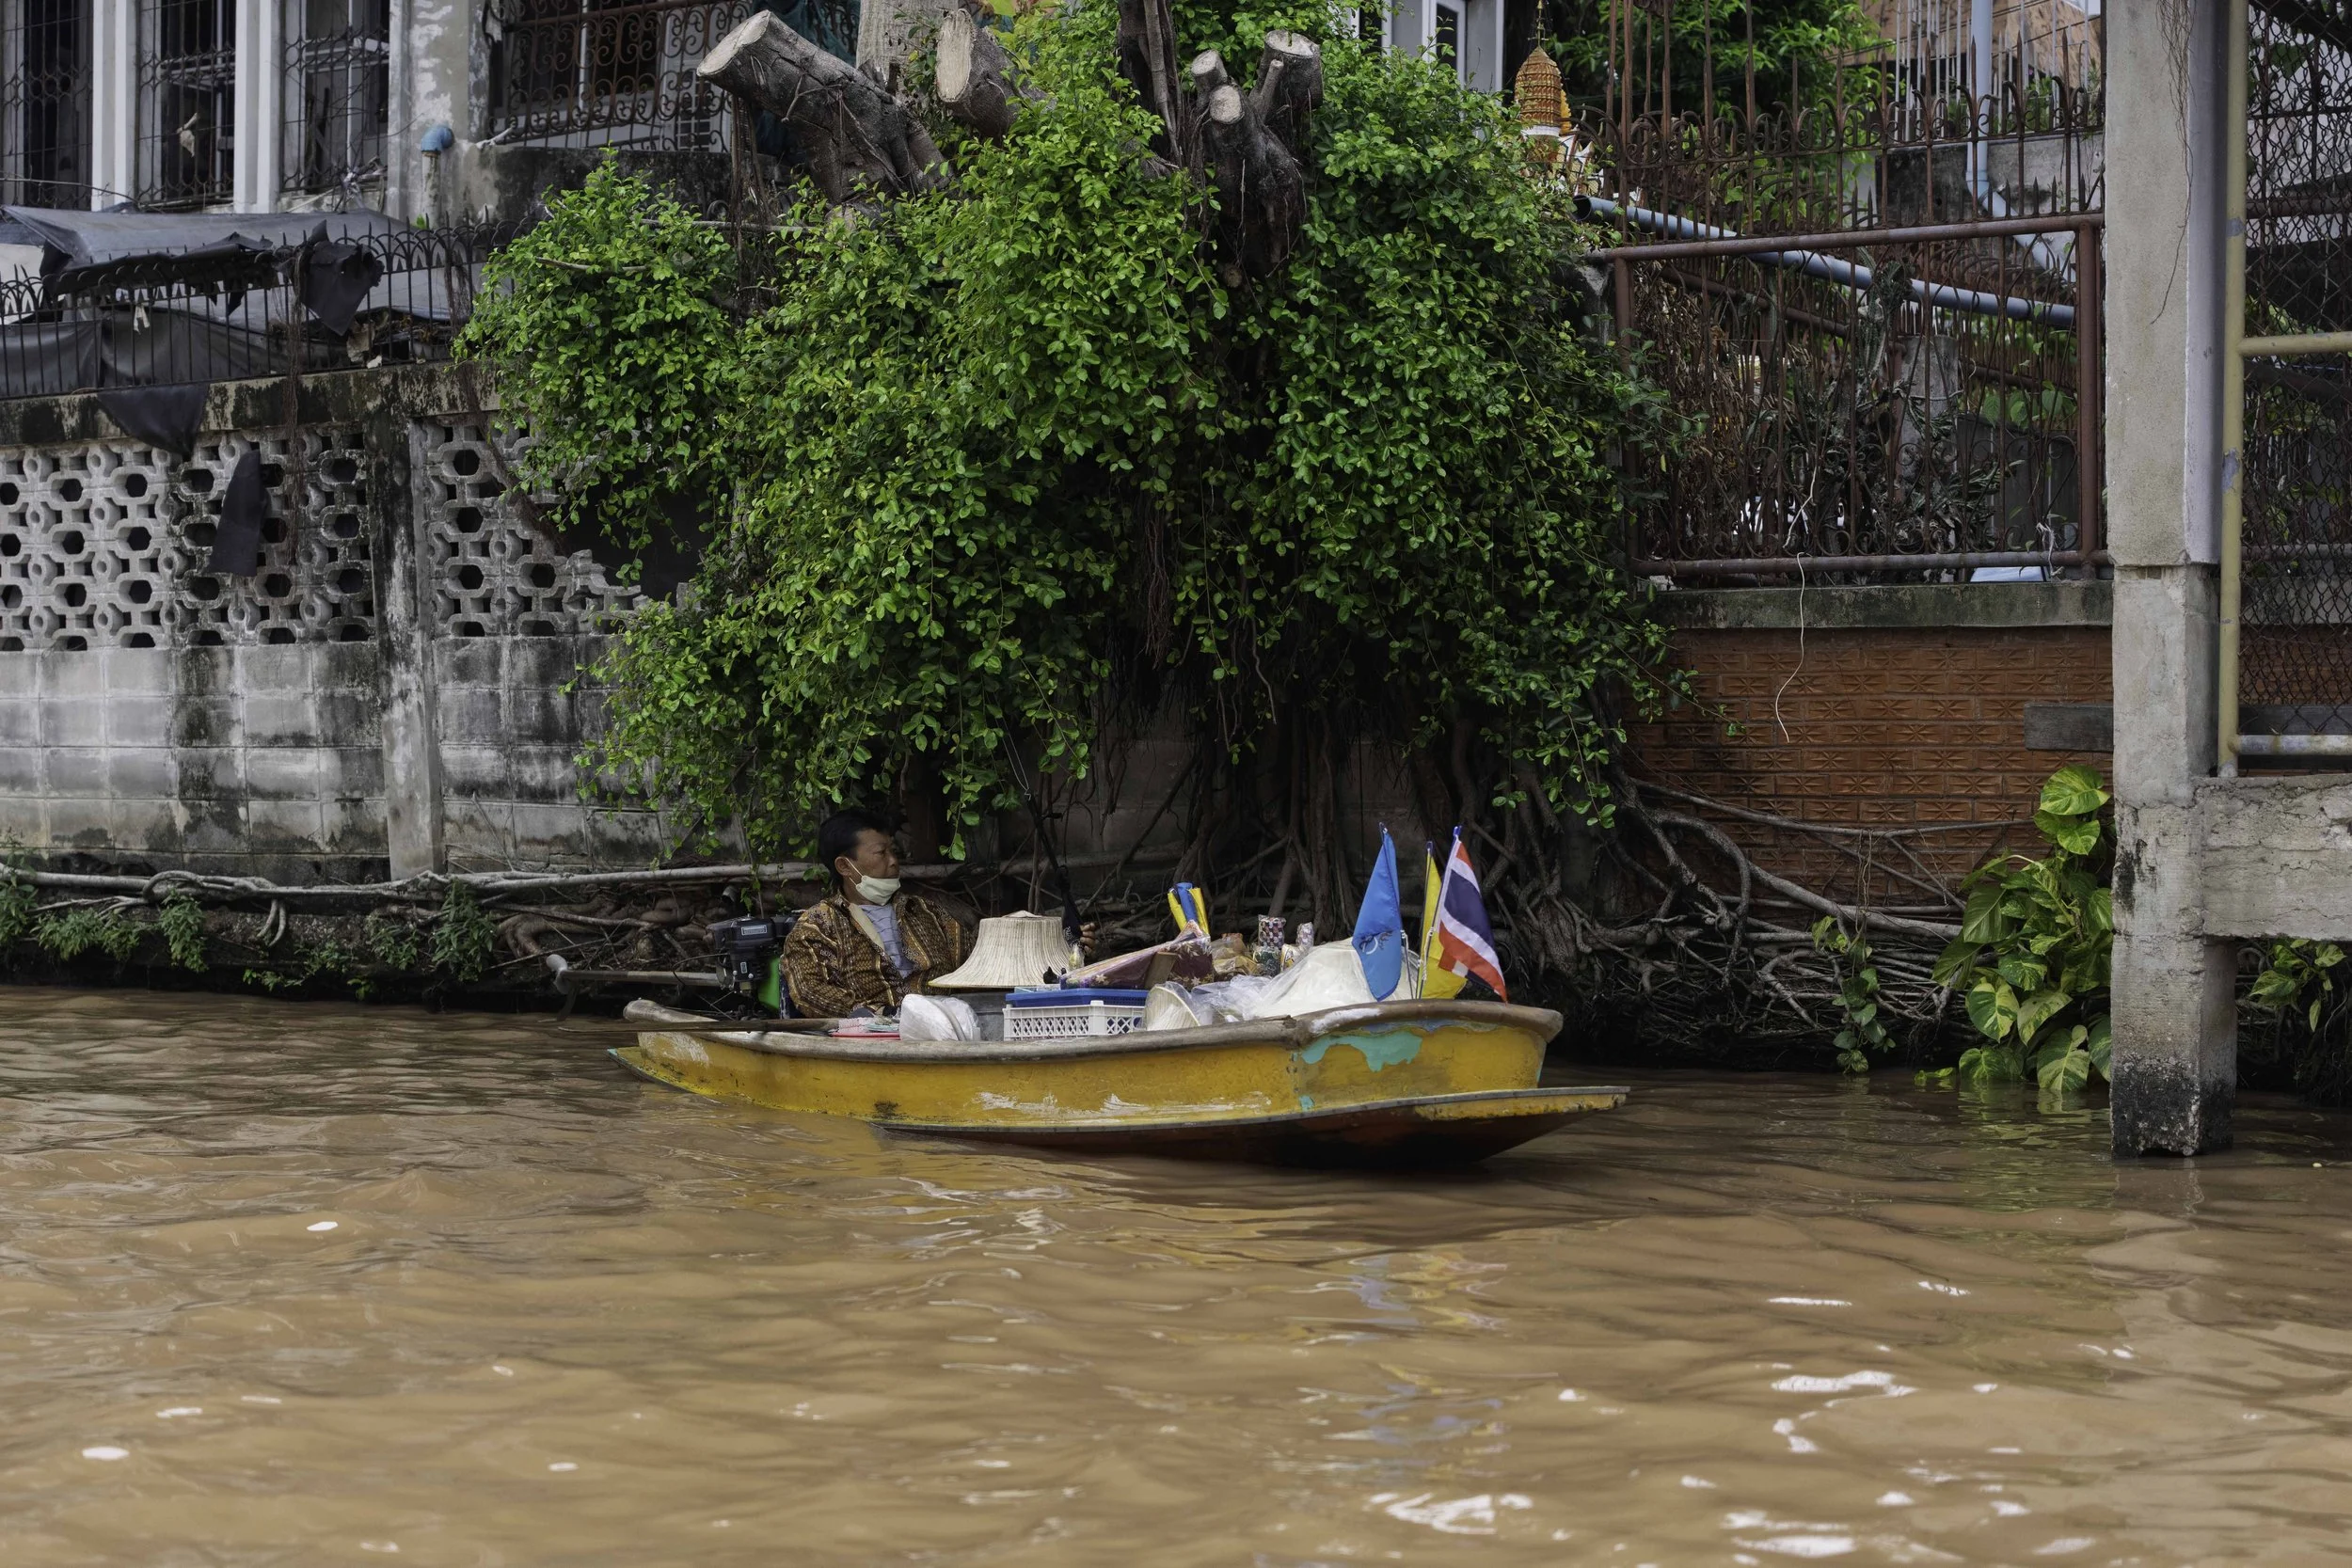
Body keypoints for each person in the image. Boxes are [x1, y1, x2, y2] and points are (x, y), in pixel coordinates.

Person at [781, 809, 972, 1018]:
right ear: (844, 866)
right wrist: (880, 1013)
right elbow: (809, 991)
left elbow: (973, 965)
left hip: (943, 1028)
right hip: (869, 1035)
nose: (893, 861)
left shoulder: (928, 913)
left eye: (893, 851)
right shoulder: (817, 926)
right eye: (881, 853)